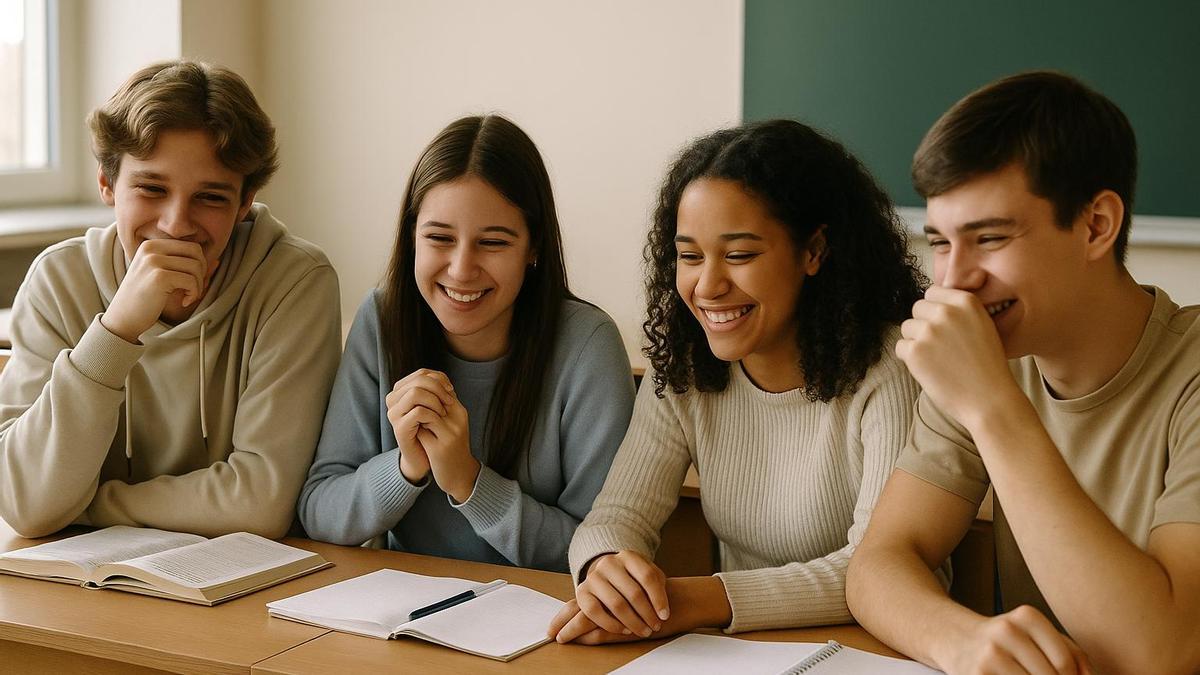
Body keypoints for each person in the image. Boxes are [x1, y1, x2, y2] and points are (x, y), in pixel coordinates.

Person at [846, 71, 1200, 675]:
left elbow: (1161, 653)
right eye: (940, 242)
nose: (954, 280)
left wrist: (989, 405)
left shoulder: (1186, 370)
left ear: (1096, 226)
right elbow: (879, 564)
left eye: (988, 238)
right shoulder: (984, 356)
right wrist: (959, 640)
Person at [549, 119, 926, 643]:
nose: (707, 285)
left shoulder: (890, 368)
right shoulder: (685, 367)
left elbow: (878, 570)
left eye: (739, 255)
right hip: (742, 654)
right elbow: (616, 515)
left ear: (813, 251)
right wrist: (606, 566)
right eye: (689, 255)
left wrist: (700, 599)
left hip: (876, 648)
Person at [0, 60, 341, 538]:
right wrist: (116, 330)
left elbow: (262, 504)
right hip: (79, 584)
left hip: (237, 586)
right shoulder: (58, 281)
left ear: (244, 205)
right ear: (107, 183)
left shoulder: (294, 282)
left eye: (211, 198)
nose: (177, 224)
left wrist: (89, 504)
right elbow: (28, 505)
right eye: (152, 188)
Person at [298, 115, 634, 572]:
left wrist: (469, 482)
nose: (460, 269)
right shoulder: (382, 318)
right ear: (412, 236)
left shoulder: (587, 345)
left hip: (540, 622)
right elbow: (320, 511)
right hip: (401, 613)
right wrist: (406, 467)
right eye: (439, 238)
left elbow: (598, 552)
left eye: (492, 242)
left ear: (533, 248)